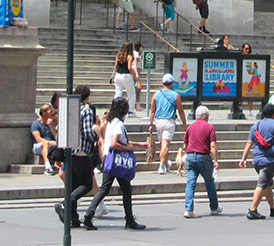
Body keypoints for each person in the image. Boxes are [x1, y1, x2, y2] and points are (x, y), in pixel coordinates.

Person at [81, 96, 145, 230]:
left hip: (108, 159)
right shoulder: (119, 124)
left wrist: (138, 144)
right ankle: (129, 220)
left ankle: (88, 215)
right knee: (126, 190)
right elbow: (115, 144)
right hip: (117, 161)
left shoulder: (110, 122)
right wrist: (129, 148)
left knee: (104, 189)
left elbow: (113, 141)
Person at [54, 85, 98, 229]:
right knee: (86, 185)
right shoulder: (86, 110)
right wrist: (95, 136)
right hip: (81, 151)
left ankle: (72, 218)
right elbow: (87, 131)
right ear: (86, 97)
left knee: (73, 184)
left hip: (68, 151)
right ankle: (64, 204)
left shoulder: (68, 110)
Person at [239, 103, 274, 220]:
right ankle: (253, 210)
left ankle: (273, 208)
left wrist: (243, 158)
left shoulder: (256, 125)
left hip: (257, 160)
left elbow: (249, 142)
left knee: (268, 183)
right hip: (269, 160)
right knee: (262, 184)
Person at [180, 104, 220, 217]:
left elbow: (185, 144)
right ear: (206, 115)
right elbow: (213, 145)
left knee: (190, 183)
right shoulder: (209, 127)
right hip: (204, 156)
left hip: (191, 156)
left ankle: (188, 209)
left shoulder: (190, 127)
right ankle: (214, 207)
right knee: (209, 182)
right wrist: (216, 160)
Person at [150, 72, 187, 173]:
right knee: (165, 144)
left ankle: (165, 163)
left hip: (158, 121)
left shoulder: (156, 95)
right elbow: (181, 111)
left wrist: (151, 124)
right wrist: (184, 124)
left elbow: (152, 111)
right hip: (169, 122)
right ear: (172, 83)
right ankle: (162, 165)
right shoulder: (176, 95)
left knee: (163, 144)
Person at [112, 42, 140, 115]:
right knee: (131, 94)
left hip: (118, 75)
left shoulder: (119, 55)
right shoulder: (129, 56)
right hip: (126, 76)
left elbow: (116, 65)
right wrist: (135, 75)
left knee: (118, 93)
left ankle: (115, 109)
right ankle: (131, 111)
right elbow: (129, 67)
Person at [32, 103, 59, 175]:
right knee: (45, 143)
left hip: (51, 145)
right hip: (38, 146)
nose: (52, 113)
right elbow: (38, 139)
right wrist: (50, 142)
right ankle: (47, 166)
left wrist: (51, 126)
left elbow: (56, 136)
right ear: (44, 113)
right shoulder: (36, 124)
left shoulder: (51, 123)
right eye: (50, 112)